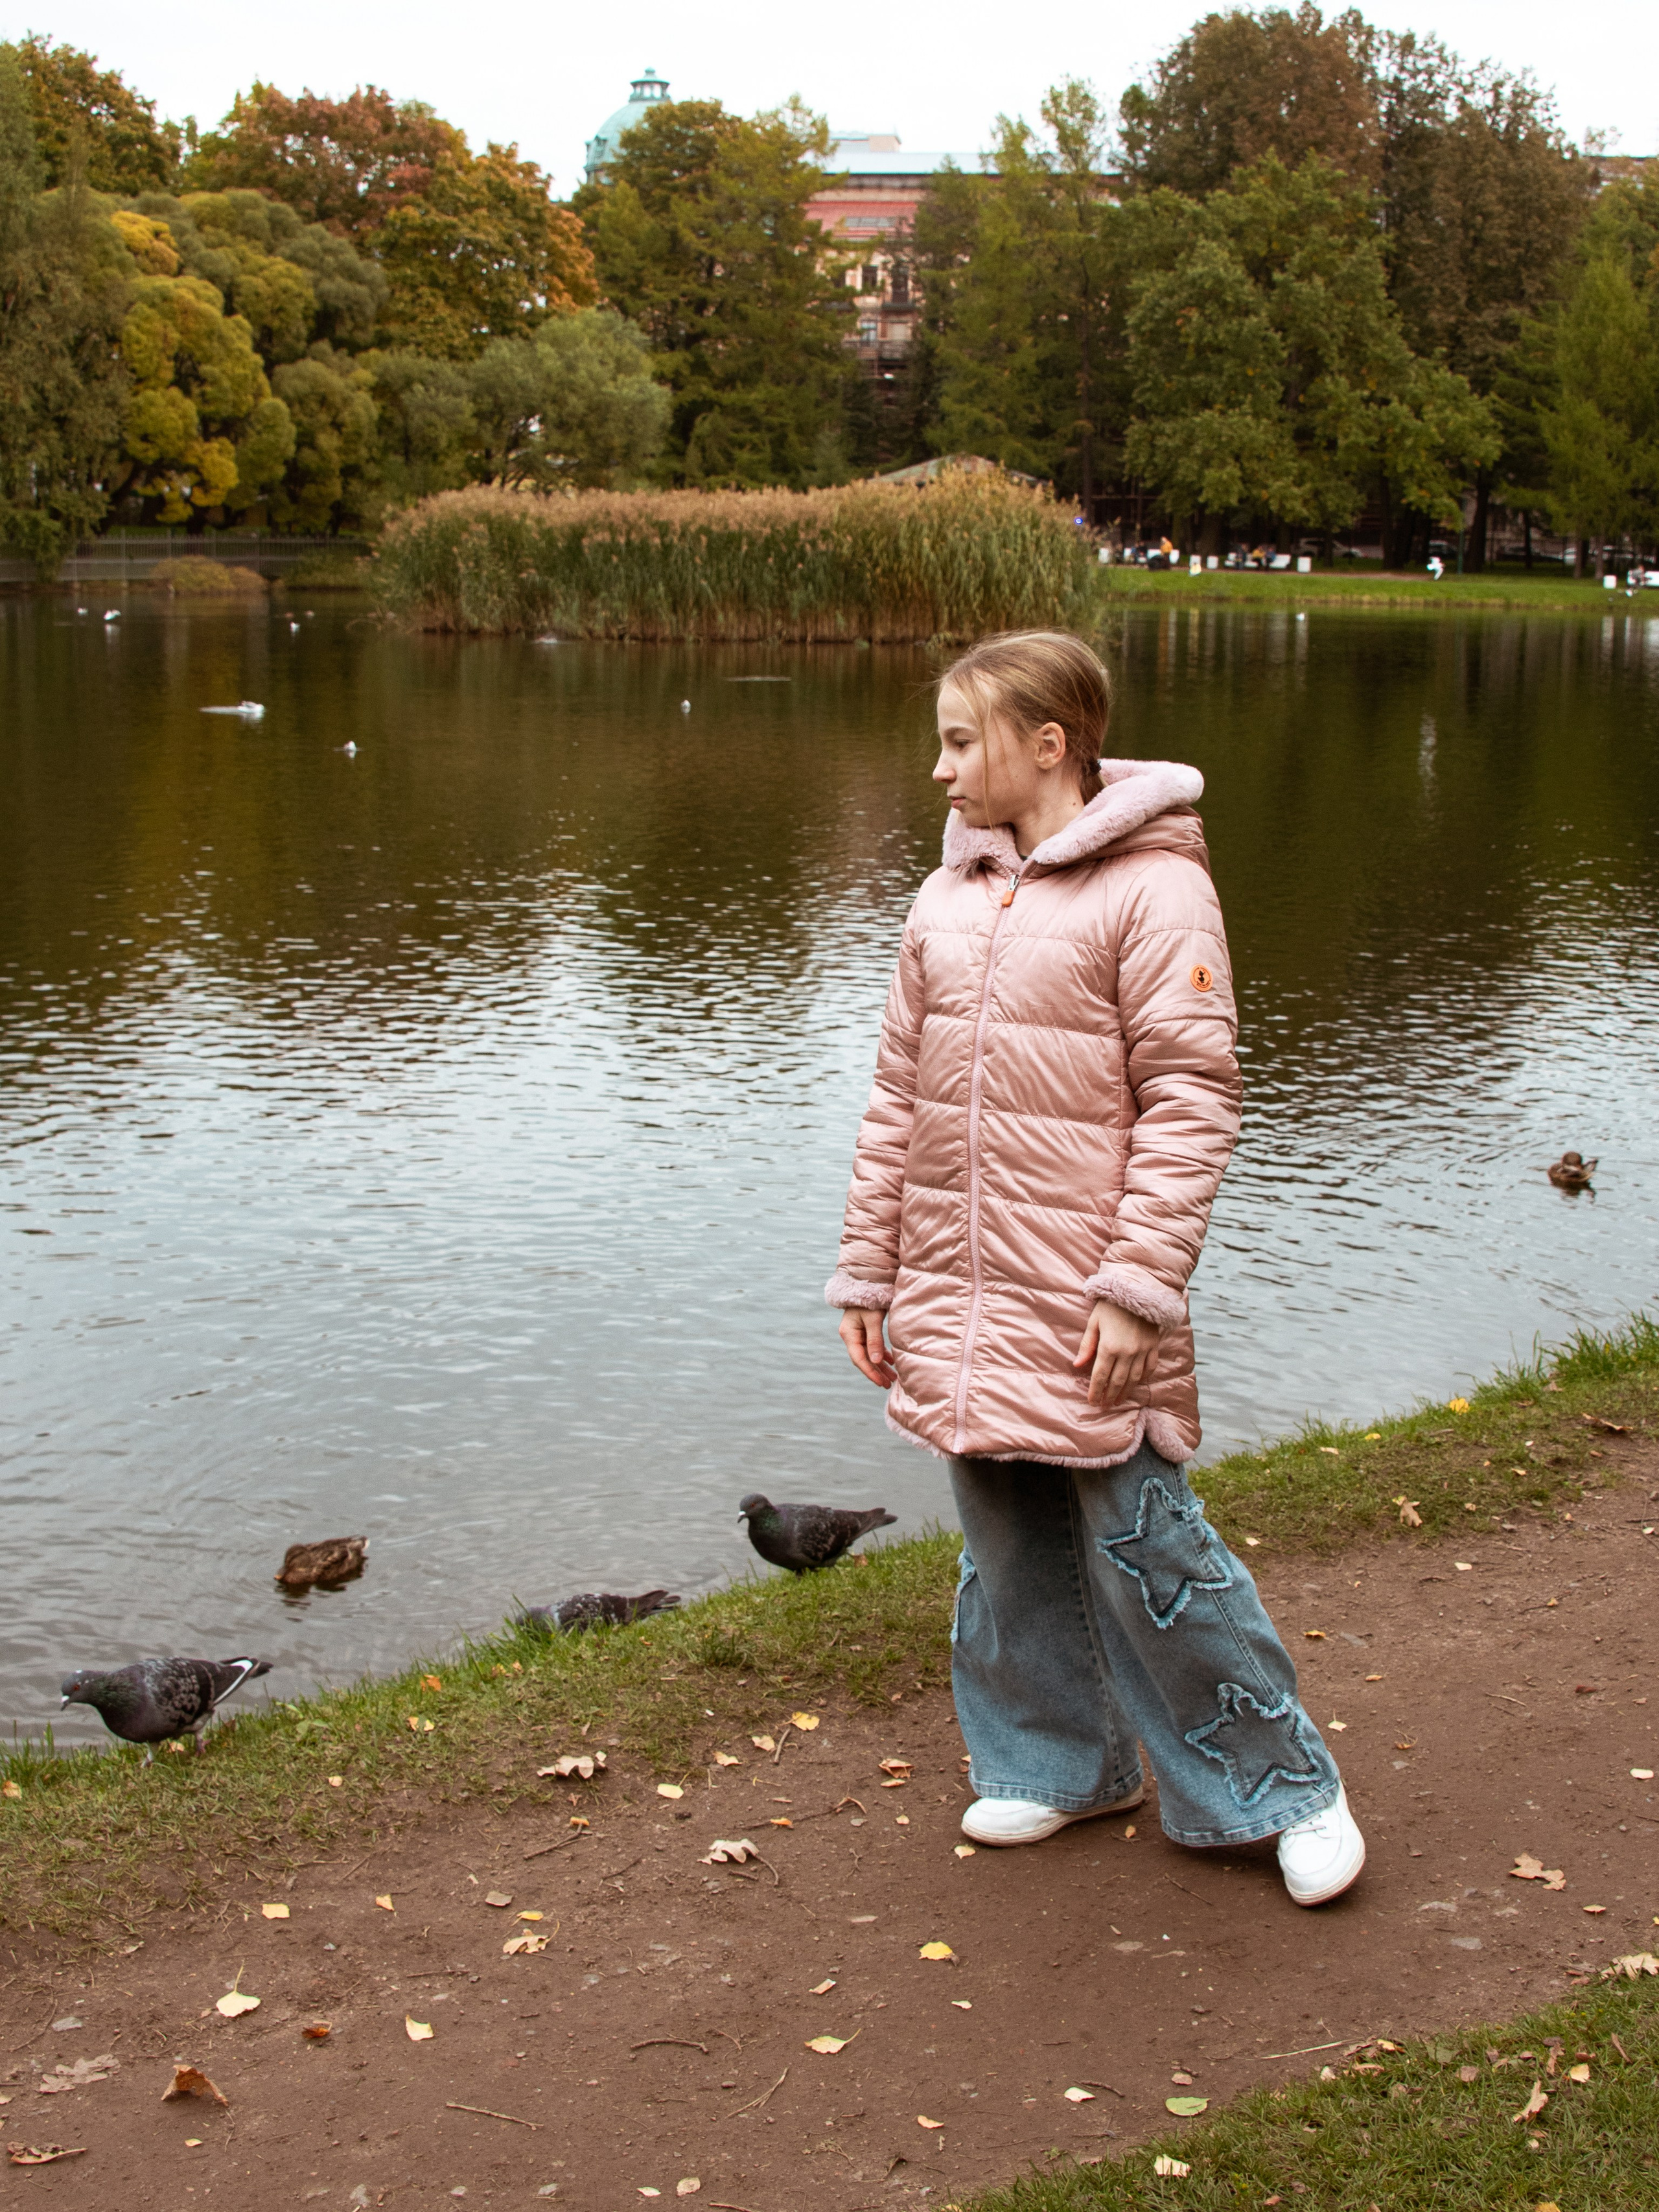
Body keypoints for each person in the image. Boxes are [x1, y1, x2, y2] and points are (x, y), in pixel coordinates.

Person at [826, 630, 1364, 1907]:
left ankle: (1279, 1790)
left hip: (1084, 1300)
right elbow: (894, 1103)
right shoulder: (943, 898)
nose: (939, 767)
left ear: (1047, 745)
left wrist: (1139, 1287)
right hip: (958, 1298)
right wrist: (866, 1275)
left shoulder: (1152, 892)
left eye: (960, 742)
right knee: (1004, 1543)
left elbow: (1191, 1100)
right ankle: (1058, 1765)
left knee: (1145, 1549)